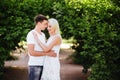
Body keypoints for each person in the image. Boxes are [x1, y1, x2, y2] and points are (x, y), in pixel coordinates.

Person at [26, 14, 57, 80]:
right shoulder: (31, 34)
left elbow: (44, 48)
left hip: (44, 64)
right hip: (35, 65)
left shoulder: (43, 35)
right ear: (39, 23)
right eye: (45, 24)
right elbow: (31, 52)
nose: (46, 26)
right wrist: (47, 54)